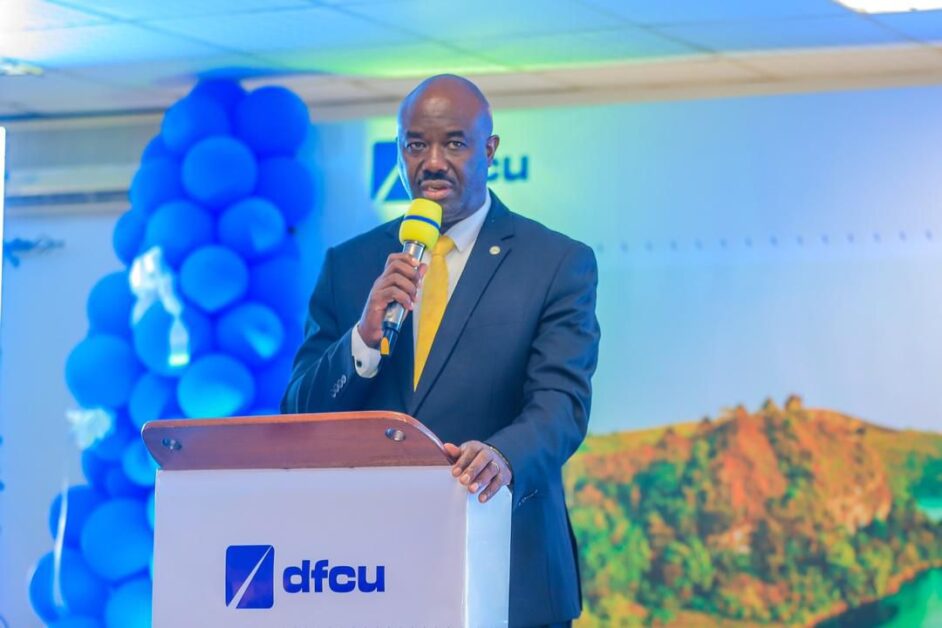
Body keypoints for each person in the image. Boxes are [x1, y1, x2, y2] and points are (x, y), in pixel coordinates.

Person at [282, 74, 600, 627]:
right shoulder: (350, 265)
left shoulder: (554, 262)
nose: (432, 162)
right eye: (415, 145)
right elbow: (300, 414)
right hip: (371, 572)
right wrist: (362, 339)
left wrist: (502, 455)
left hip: (510, 567)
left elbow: (561, 405)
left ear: (489, 150)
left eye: (454, 143)